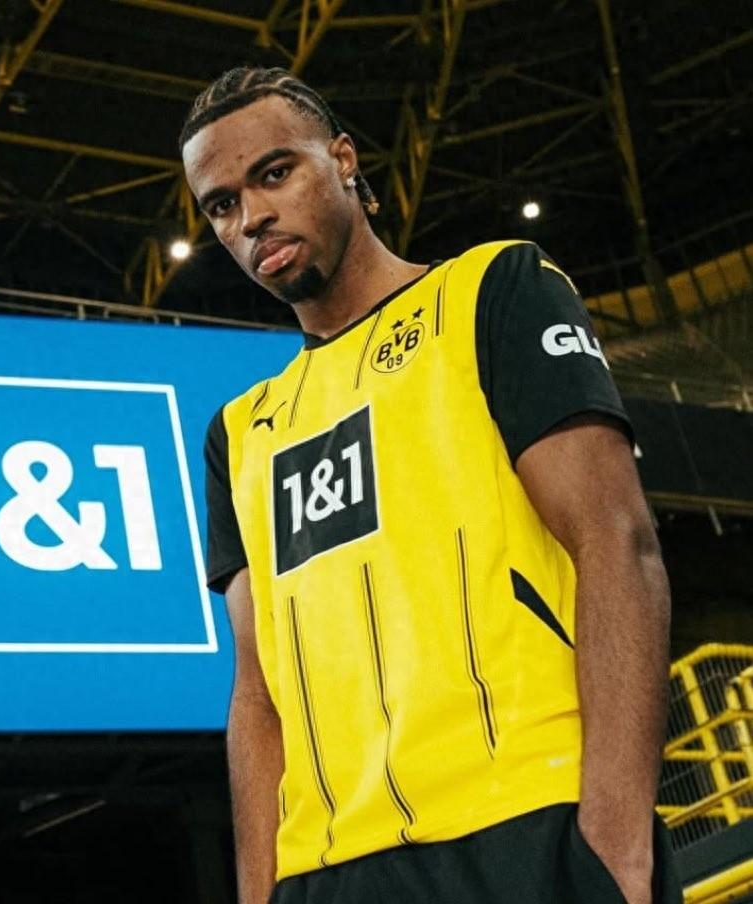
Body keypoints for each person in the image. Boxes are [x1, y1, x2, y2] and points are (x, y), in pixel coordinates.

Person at [181, 67, 682, 904]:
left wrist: (617, 846)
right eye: (221, 205)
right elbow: (257, 690)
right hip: (326, 872)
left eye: (274, 173)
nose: (251, 216)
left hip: (525, 827)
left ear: (343, 160)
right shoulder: (237, 433)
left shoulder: (495, 290)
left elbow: (616, 542)